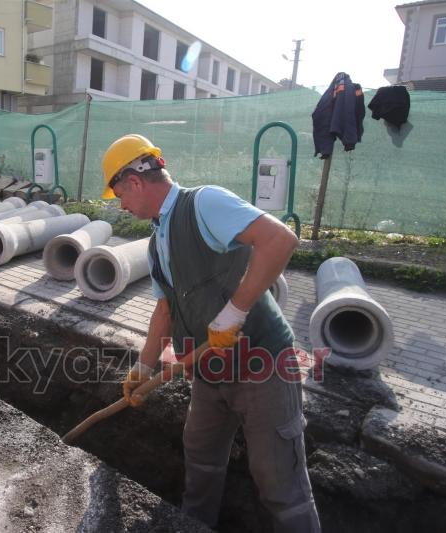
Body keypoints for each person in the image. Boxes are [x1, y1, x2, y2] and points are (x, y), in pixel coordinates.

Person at [107, 134, 320, 532]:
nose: (122, 205)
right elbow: (165, 309)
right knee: (201, 459)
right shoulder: (157, 243)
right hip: (208, 371)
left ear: (135, 182)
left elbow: (280, 239)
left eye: (120, 194)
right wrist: (143, 366)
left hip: (263, 365)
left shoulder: (203, 203)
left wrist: (234, 312)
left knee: (278, 481)